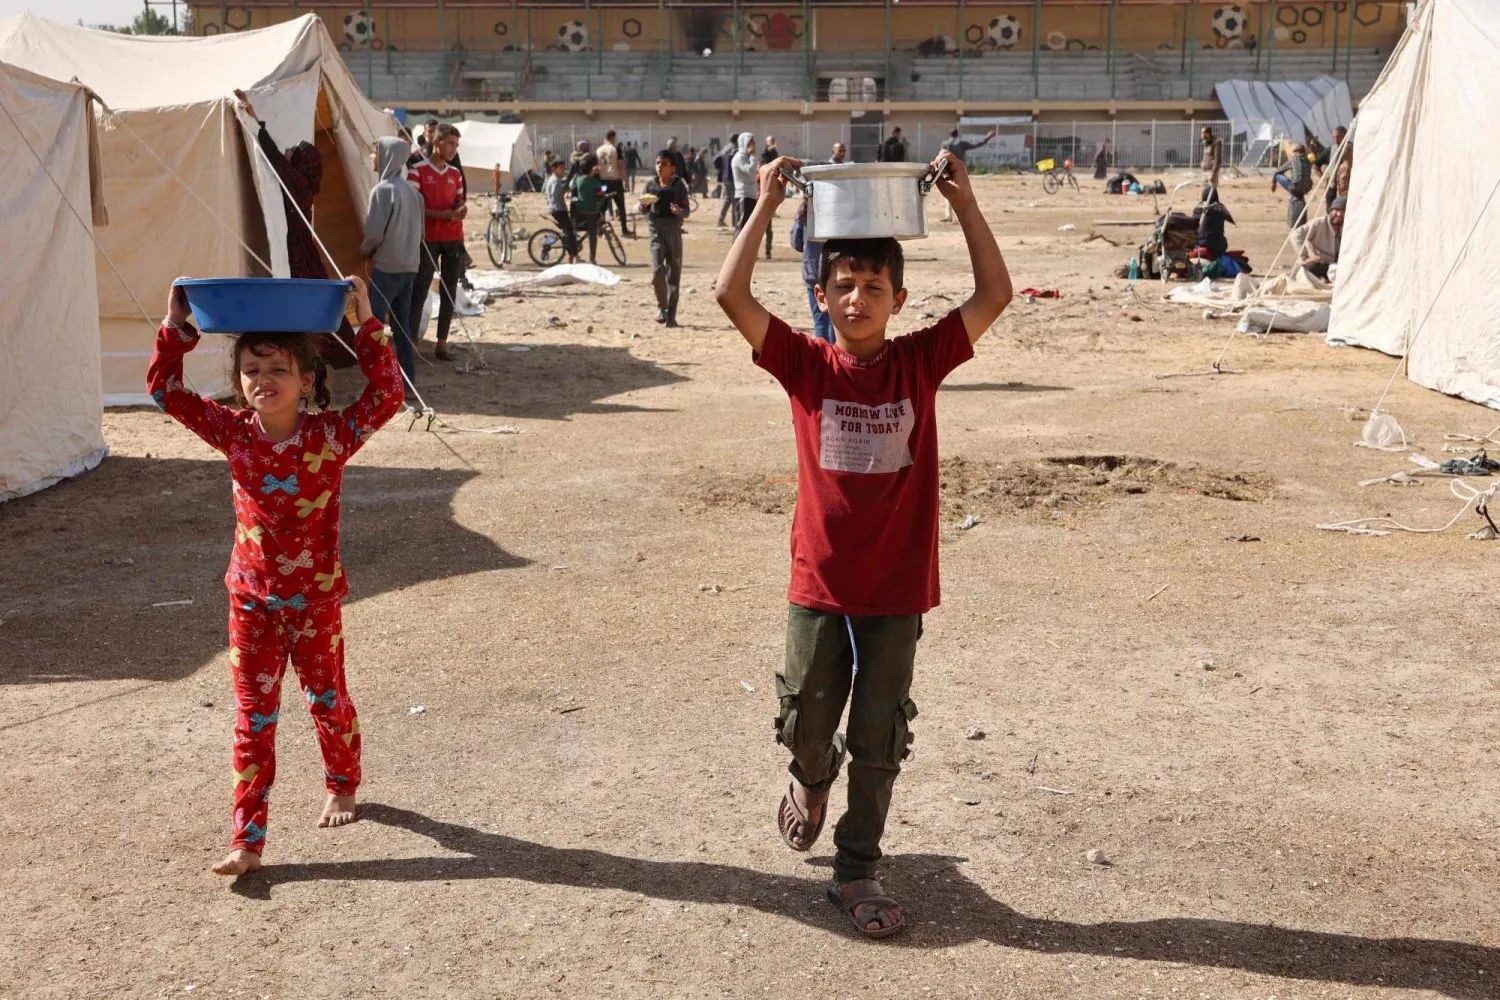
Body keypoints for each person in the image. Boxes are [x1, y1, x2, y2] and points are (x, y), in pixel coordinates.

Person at [715, 148, 1012, 939]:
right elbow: (728, 293)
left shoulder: (922, 359)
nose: (857, 299)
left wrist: (966, 204)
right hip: (820, 581)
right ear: (822, 295)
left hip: (897, 586)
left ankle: (856, 868)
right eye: (843, 286)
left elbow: (995, 293)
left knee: (878, 734)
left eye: (874, 287)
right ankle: (810, 779)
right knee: (810, 723)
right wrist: (766, 205)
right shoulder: (804, 365)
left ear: (899, 298)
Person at [148, 274, 403, 877]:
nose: (264, 380)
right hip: (251, 602)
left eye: (278, 369)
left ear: (307, 381)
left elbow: (388, 393)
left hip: (315, 602)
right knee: (252, 719)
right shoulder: (231, 432)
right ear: (238, 384)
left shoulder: (332, 436)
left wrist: (365, 324)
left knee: (327, 699)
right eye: (252, 370)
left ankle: (342, 780)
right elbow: (165, 390)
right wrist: (177, 328)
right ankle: (247, 840)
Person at [232, 90, 357, 367]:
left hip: (297, 248)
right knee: (312, 301)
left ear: (300, 161)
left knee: (310, 301)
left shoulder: (297, 185)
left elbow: (275, 158)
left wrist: (255, 122)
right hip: (299, 245)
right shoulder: (301, 184)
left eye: (294, 150)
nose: (288, 150)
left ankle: (338, 350)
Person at [360, 135, 425, 393]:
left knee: (373, 327)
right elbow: (421, 235)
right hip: (410, 267)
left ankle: (378, 384)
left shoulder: (383, 191)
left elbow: (374, 234)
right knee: (402, 326)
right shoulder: (414, 193)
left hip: (387, 267)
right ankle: (407, 380)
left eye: (376, 152)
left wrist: (363, 251)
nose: (372, 158)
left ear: (387, 156)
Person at [406, 123, 466, 362]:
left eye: (456, 145)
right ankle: (409, 343)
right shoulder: (417, 170)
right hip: (427, 239)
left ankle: (442, 343)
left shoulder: (455, 173)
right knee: (419, 290)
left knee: (449, 291)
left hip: (453, 239)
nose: (453, 149)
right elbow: (413, 205)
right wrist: (442, 216)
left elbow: (460, 199)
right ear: (436, 142)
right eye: (450, 143)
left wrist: (460, 210)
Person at [640, 149, 690, 328]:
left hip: (674, 232)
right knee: (657, 272)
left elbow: (687, 209)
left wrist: (679, 211)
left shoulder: (679, 185)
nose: (660, 167)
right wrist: (644, 205)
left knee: (674, 276)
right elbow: (643, 209)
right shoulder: (650, 185)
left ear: (673, 168)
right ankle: (662, 306)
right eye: (658, 163)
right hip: (655, 232)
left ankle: (671, 315)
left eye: (664, 164)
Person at [790, 198, 832, 344]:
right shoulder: (836, 211)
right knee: (835, 320)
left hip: (812, 270)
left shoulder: (805, 213)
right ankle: (836, 356)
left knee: (820, 321)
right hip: (833, 270)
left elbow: (796, 242)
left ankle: (823, 358)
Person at [939, 127, 996, 221]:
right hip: (960, 171)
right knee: (962, 192)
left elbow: (941, 158)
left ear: (949, 135)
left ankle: (948, 216)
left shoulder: (945, 144)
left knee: (948, 193)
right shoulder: (962, 144)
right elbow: (976, 144)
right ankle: (964, 215)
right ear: (957, 134)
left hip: (947, 170)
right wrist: (987, 137)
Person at [1292, 197, 1345, 281]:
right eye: (1336, 210)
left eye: (1342, 211)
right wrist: (1305, 256)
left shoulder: (1348, 227)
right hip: (1321, 264)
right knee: (1310, 267)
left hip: (1338, 266)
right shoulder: (1319, 223)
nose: (1338, 214)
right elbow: (1296, 235)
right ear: (1330, 211)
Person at [596, 129, 634, 238]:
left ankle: (601, 230)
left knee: (602, 206)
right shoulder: (615, 148)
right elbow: (621, 166)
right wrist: (626, 181)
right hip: (615, 181)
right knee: (621, 205)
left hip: (603, 182)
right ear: (613, 137)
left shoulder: (599, 150)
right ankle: (624, 229)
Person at [570, 153, 607, 264]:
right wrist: (600, 202)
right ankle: (592, 258)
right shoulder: (596, 182)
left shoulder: (578, 179)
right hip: (592, 211)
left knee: (575, 231)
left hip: (579, 210)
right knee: (592, 235)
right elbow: (601, 195)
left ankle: (575, 255)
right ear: (592, 168)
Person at [543, 158, 579, 264]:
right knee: (569, 232)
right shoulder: (555, 180)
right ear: (554, 169)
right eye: (561, 168)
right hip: (558, 209)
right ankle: (572, 254)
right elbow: (555, 195)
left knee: (567, 230)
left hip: (555, 208)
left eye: (564, 168)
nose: (563, 170)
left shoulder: (552, 179)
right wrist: (561, 205)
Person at [1272, 143, 1313, 228]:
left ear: (1296, 152)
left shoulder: (1294, 160)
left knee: (1278, 175)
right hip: (1306, 188)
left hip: (1295, 188)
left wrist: (1274, 183)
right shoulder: (1308, 161)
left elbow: (1277, 171)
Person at [732, 133, 760, 238]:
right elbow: (750, 170)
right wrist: (753, 156)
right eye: (751, 142)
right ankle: (737, 253)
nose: (753, 145)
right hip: (743, 196)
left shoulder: (747, 157)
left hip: (750, 195)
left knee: (749, 227)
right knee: (742, 226)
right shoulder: (740, 157)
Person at [716, 135, 740, 227]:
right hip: (733, 177)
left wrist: (722, 170)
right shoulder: (735, 149)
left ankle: (720, 220)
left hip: (725, 177)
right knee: (735, 200)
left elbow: (716, 160)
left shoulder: (725, 149)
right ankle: (735, 223)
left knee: (727, 199)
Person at [1200, 126, 1224, 202]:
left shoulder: (1216, 142)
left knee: (1211, 192)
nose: (1202, 135)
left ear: (1208, 133)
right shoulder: (1205, 143)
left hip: (1211, 171)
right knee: (1206, 191)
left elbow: (1217, 159)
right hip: (1205, 171)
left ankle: (1214, 208)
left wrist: (1213, 173)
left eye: (1204, 133)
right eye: (1201, 133)